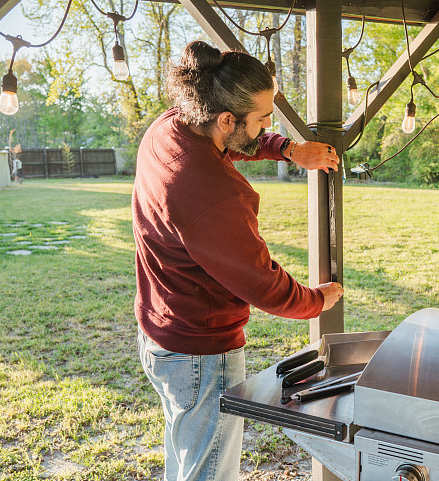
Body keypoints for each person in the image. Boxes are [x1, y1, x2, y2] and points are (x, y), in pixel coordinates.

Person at [132, 40, 344, 481]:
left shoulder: (172, 126)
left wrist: (287, 149)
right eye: (263, 118)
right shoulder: (213, 191)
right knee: (209, 472)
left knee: (186, 456)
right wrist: (315, 302)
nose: (268, 124)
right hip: (201, 353)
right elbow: (262, 283)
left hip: (160, 332)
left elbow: (239, 141)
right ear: (226, 118)